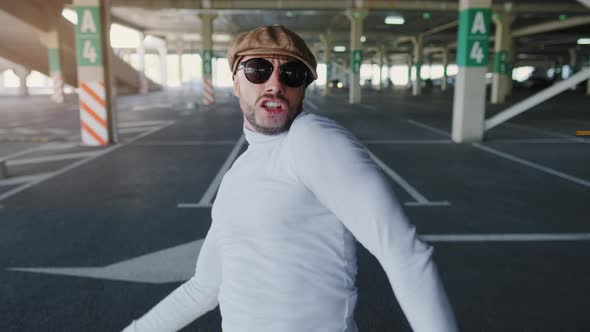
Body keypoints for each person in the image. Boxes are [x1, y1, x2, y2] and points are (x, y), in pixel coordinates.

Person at [123, 25, 458, 332]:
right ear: (236, 82)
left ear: (304, 87)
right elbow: (205, 287)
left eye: (292, 73)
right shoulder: (238, 175)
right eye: (258, 69)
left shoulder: (310, 138)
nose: (275, 84)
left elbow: (404, 253)